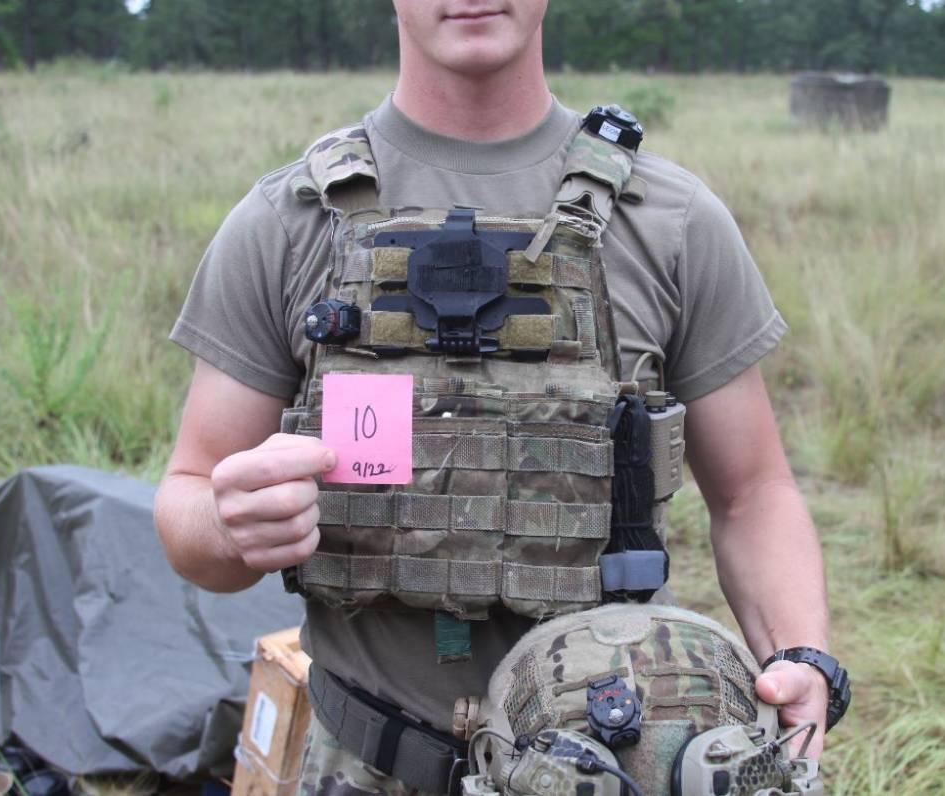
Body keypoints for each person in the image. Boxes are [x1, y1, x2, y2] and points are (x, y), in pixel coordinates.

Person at [154, 2, 841, 794]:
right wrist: (231, 521)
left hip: (618, 763)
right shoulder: (285, 223)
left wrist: (800, 658)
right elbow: (189, 501)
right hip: (364, 764)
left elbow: (755, 492)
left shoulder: (672, 221)